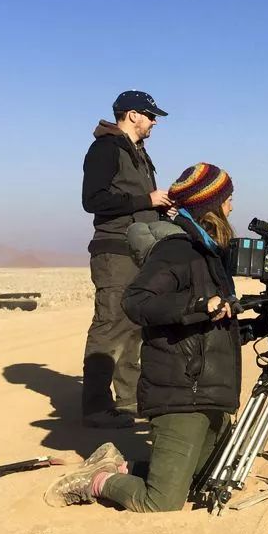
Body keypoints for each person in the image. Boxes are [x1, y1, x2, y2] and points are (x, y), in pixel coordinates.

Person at [46, 163, 242, 511]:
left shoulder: (210, 255)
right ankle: (95, 481)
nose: (232, 206)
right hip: (183, 393)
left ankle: (118, 466)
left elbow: (211, 326)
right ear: (210, 205)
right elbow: (136, 302)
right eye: (227, 198)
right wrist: (200, 305)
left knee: (205, 480)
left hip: (210, 392)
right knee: (161, 502)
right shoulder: (178, 251)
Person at [81, 90, 171, 429]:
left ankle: (129, 401)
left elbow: (136, 201)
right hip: (114, 251)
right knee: (109, 326)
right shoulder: (105, 149)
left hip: (139, 251)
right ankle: (96, 408)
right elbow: (93, 200)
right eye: (150, 115)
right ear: (132, 115)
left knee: (134, 325)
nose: (154, 122)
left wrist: (159, 209)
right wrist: (146, 199)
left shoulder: (138, 153)